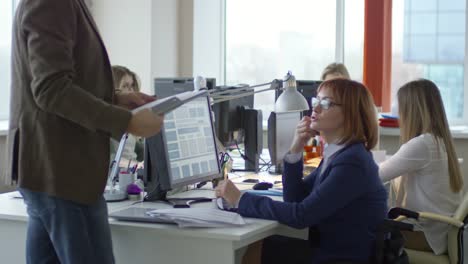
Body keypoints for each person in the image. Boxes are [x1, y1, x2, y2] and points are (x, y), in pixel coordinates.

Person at [7, 0, 164, 263]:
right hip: (62, 171)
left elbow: (65, 82)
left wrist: (115, 98)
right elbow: (50, 89)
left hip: (56, 172)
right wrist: (126, 122)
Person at [216, 79, 388, 264]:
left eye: (326, 103)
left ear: (350, 114)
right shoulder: (339, 154)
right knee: (261, 246)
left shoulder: (352, 162)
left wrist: (240, 199)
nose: (315, 109)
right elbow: (295, 197)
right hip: (329, 249)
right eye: (316, 101)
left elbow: (301, 215)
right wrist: (296, 147)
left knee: (259, 249)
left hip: (341, 257)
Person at [379, 79, 463, 255]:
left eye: (401, 110)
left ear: (411, 111)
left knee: (361, 233)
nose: (399, 117)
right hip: (441, 233)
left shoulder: (422, 144)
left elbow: (375, 175)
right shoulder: (438, 141)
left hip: (428, 235)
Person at [110, 65, 145, 163]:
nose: (131, 91)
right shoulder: (114, 121)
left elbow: (139, 148)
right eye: (125, 86)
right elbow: (127, 161)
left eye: (131, 86)